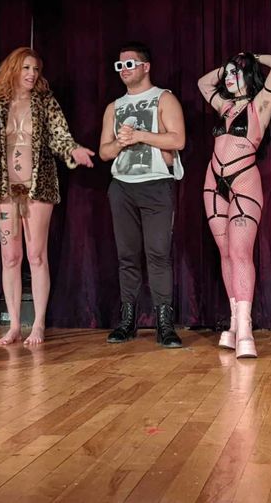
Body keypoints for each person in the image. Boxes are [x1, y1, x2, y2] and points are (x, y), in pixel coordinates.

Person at [0, 47, 95, 347]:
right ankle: (14, 324)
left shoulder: (44, 102)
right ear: (13, 69)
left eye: (36, 69)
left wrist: (73, 150)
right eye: (26, 68)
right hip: (4, 189)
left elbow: (59, 135)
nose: (31, 74)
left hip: (38, 187)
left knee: (37, 255)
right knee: (10, 257)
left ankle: (38, 323)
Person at [198, 52, 271, 358]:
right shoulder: (225, 106)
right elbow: (203, 82)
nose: (229, 78)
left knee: (240, 252)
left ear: (249, 76)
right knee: (225, 253)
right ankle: (234, 325)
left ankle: (246, 330)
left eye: (237, 73)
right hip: (213, 182)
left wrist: (252, 57)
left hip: (243, 181)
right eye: (228, 73)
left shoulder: (260, 103)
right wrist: (226, 66)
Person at [98, 42, 186, 348]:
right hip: (122, 186)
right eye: (119, 66)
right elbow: (104, 151)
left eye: (130, 64)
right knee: (127, 257)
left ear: (145, 66)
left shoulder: (164, 98)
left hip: (156, 184)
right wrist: (122, 143)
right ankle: (128, 320)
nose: (124, 70)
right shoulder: (114, 107)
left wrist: (140, 136)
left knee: (158, 255)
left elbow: (179, 139)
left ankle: (164, 323)